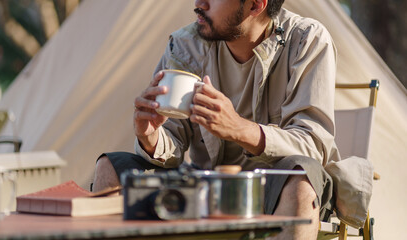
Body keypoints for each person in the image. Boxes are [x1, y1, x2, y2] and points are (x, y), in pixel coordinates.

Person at [93, 0, 339, 239]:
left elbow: (313, 146)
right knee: (111, 168)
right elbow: (173, 140)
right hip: (202, 189)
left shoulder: (306, 40)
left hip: (274, 191)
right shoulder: (185, 44)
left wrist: (238, 128)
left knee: (301, 181)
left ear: (255, 5)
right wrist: (151, 137)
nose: (199, 3)